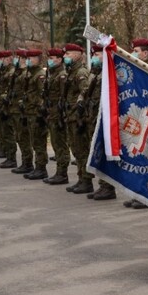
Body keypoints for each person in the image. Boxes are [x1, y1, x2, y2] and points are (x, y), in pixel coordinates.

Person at [125, 38, 148, 209]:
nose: (134, 54)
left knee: (147, 158)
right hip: (138, 116)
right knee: (137, 156)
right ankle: (138, 192)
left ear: (146, 53)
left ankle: (146, 195)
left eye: (137, 51)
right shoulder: (138, 68)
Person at [85, 44, 117, 201]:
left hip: (105, 120)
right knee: (98, 152)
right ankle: (103, 185)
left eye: (97, 54)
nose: (94, 58)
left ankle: (108, 187)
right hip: (94, 118)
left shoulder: (110, 74)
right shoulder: (96, 73)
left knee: (105, 153)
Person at [64, 43, 94, 194]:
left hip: (78, 117)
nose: (65, 57)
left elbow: (85, 91)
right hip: (71, 116)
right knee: (76, 149)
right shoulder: (72, 71)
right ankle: (81, 178)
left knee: (82, 150)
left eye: (68, 54)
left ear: (76, 54)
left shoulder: (80, 72)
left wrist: (81, 114)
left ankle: (86, 181)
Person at [43, 47, 70, 185]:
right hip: (52, 114)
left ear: (59, 60)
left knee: (60, 144)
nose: (50, 61)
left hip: (58, 115)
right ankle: (59, 172)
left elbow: (63, 98)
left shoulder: (62, 76)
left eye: (52, 58)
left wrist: (61, 116)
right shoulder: (52, 74)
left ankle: (62, 173)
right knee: (55, 143)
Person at [22, 49, 49, 181]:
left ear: (38, 59)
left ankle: (41, 168)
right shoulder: (30, 73)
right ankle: (37, 167)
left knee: (39, 142)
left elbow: (42, 95)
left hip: (36, 113)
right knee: (34, 141)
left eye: (31, 58)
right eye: (28, 58)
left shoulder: (40, 75)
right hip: (30, 112)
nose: (28, 60)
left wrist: (40, 112)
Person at [10, 50, 34, 175]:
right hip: (16, 109)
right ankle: (25, 162)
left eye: (17, 58)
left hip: (23, 111)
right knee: (19, 137)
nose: (15, 60)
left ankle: (28, 163)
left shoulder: (26, 74)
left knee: (24, 138)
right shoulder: (19, 73)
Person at [0, 50, 17, 169]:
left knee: (8, 133)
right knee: (3, 132)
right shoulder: (3, 71)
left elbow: (10, 90)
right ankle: (7, 155)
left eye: (1, 59)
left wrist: (4, 100)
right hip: (1, 105)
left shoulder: (11, 72)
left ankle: (11, 158)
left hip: (7, 107)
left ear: (7, 59)